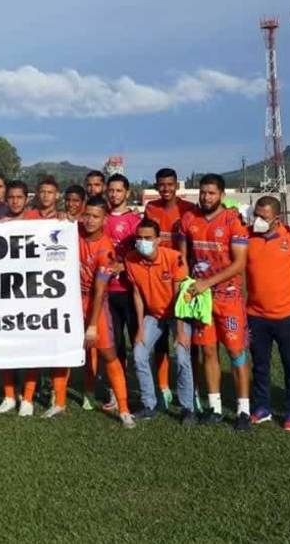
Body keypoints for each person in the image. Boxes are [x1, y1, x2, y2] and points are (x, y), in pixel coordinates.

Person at [49, 196, 134, 426]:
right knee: (63, 351)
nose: (90, 220)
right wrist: (61, 217)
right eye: (87, 215)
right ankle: (59, 403)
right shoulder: (72, 231)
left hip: (95, 303)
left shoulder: (105, 248)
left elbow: (99, 290)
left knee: (108, 354)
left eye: (96, 216)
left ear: (105, 219)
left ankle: (124, 410)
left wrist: (93, 324)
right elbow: (58, 223)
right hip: (69, 302)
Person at [178, 173, 251, 428]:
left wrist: (207, 282)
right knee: (208, 351)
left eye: (211, 193)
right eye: (203, 192)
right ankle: (215, 407)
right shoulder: (189, 219)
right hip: (202, 300)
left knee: (235, 352)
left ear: (221, 195)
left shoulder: (233, 220)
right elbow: (184, 257)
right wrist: (187, 284)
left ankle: (243, 410)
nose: (206, 197)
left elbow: (239, 264)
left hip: (228, 297)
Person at [126, 218, 194, 424]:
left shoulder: (174, 257)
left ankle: (187, 407)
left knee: (182, 357)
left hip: (177, 314)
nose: (142, 241)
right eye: (139, 238)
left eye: (147, 238)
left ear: (158, 240)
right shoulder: (130, 259)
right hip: (153, 315)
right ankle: (149, 404)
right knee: (138, 354)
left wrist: (180, 330)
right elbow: (137, 294)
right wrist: (139, 328)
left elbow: (180, 296)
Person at [245, 196, 290, 431]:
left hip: (287, 316)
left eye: (263, 217)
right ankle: (262, 407)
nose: (257, 220)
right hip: (256, 315)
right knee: (260, 365)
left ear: (276, 219)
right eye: (256, 215)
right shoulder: (246, 236)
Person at [141, 168, 196, 410]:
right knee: (160, 342)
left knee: (188, 341)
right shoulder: (151, 208)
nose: (166, 189)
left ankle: (192, 393)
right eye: (161, 185)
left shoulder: (187, 208)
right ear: (156, 186)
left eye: (170, 184)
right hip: (155, 277)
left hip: (180, 276)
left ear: (177, 185)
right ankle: (163, 388)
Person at [0, 180, 42, 415]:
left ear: (26, 199)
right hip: (4, 293)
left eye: (19, 197)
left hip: (32, 292)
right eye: (11, 197)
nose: (14, 201)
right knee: (6, 346)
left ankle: (29, 398)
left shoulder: (38, 220)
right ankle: (9, 395)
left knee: (31, 346)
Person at [102, 173, 141, 404]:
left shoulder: (135, 221)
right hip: (107, 292)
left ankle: (146, 390)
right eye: (111, 190)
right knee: (115, 344)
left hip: (131, 291)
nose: (114, 194)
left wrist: (123, 265)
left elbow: (142, 254)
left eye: (119, 190)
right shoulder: (101, 217)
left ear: (127, 193)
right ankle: (117, 392)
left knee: (138, 343)